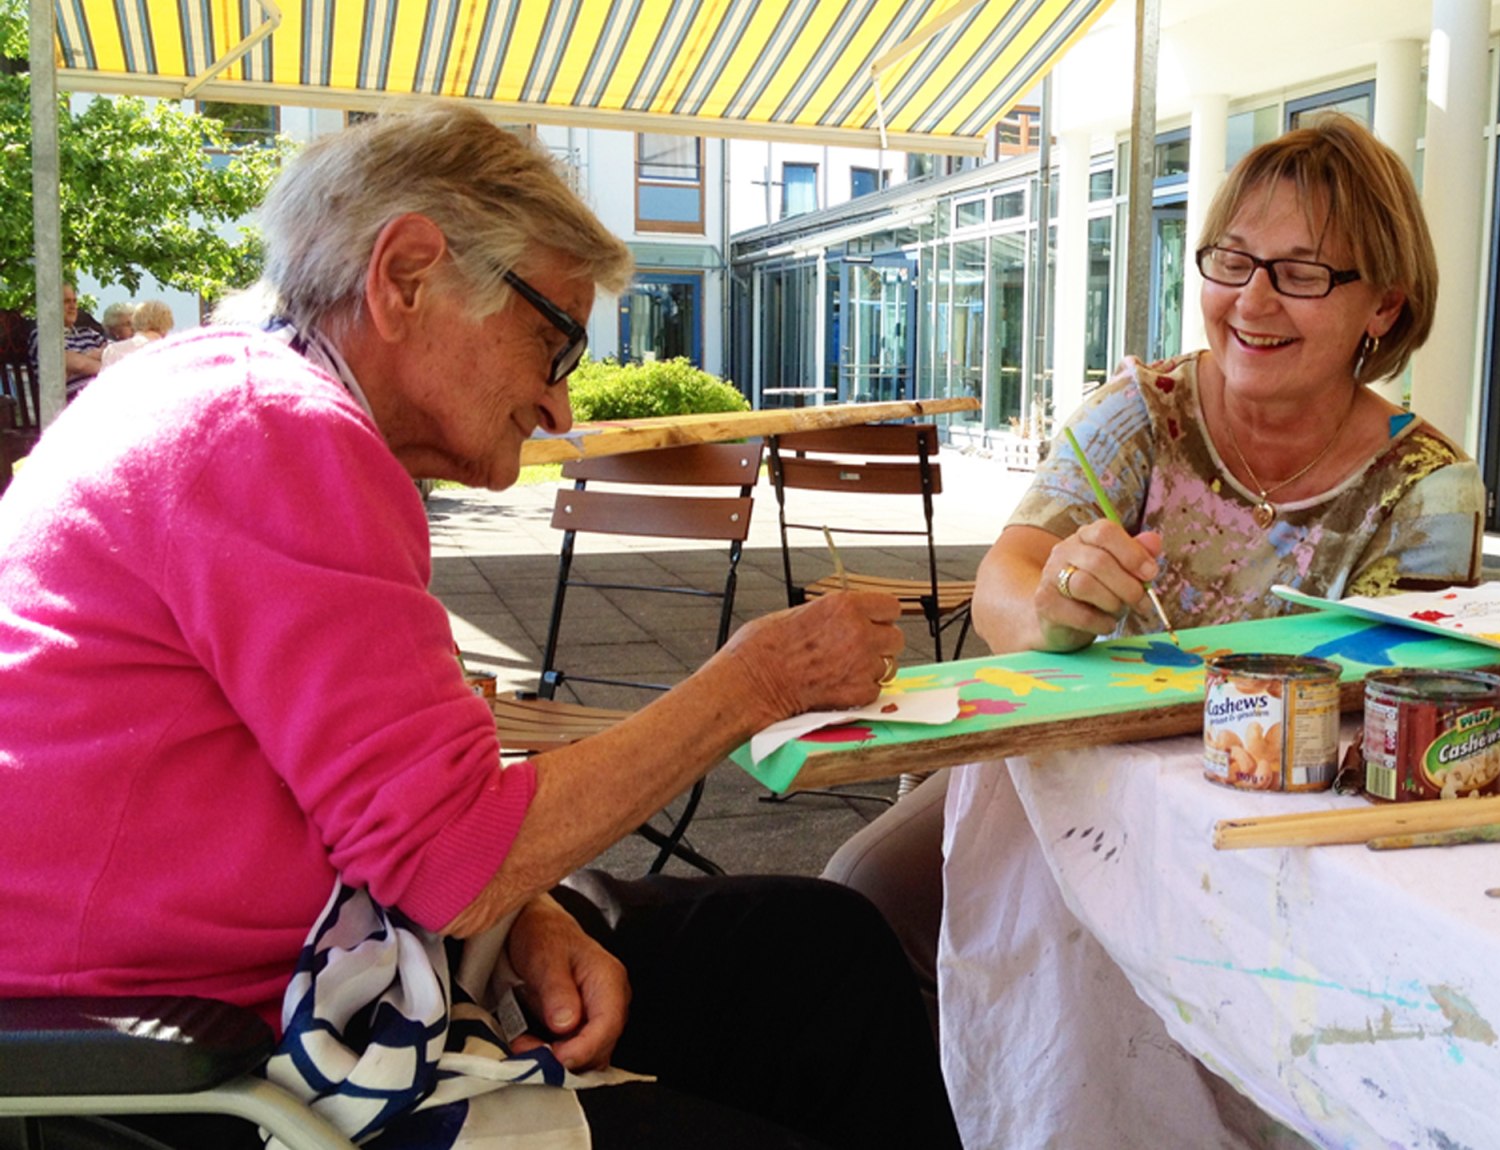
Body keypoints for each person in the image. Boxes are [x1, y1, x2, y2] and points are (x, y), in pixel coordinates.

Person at [0, 105, 958, 1150]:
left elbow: (393, 803)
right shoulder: (272, 433)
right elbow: (451, 856)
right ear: (407, 274)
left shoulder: (237, 400)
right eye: (557, 339)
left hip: (320, 962)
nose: (559, 405)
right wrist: (755, 685)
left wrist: (529, 908)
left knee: (815, 946)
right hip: (183, 1052)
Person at [824, 116, 1484, 1129]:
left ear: (1382, 306)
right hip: (1078, 770)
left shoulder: (1425, 491)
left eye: (1302, 273)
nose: (1251, 301)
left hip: (1273, 821)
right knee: (859, 898)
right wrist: (1050, 610)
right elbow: (1008, 570)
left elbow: (1394, 706)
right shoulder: (1143, 414)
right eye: (1231, 260)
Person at [25, 283, 107, 399]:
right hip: (75, 404)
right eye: (66, 301)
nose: (73, 306)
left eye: (74, 301)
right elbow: (78, 364)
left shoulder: (89, 333)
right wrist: (97, 357)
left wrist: (79, 361)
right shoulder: (44, 335)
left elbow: (115, 354)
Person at [100, 299, 175, 367]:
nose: (131, 328)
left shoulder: (112, 351)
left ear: (136, 320)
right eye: (127, 324)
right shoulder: (172, 352)